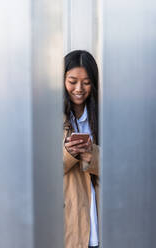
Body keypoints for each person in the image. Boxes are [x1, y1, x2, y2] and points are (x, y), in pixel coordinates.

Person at [63, 50, 100, 248]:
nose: (79, 88)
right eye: (72, 81)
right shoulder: (50, 117)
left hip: (101, 221)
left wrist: (92, 156)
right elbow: (39, 172)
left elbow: (125, 167)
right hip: (71, 225)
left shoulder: (104, 116)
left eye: (86, 82)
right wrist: (69, 154)